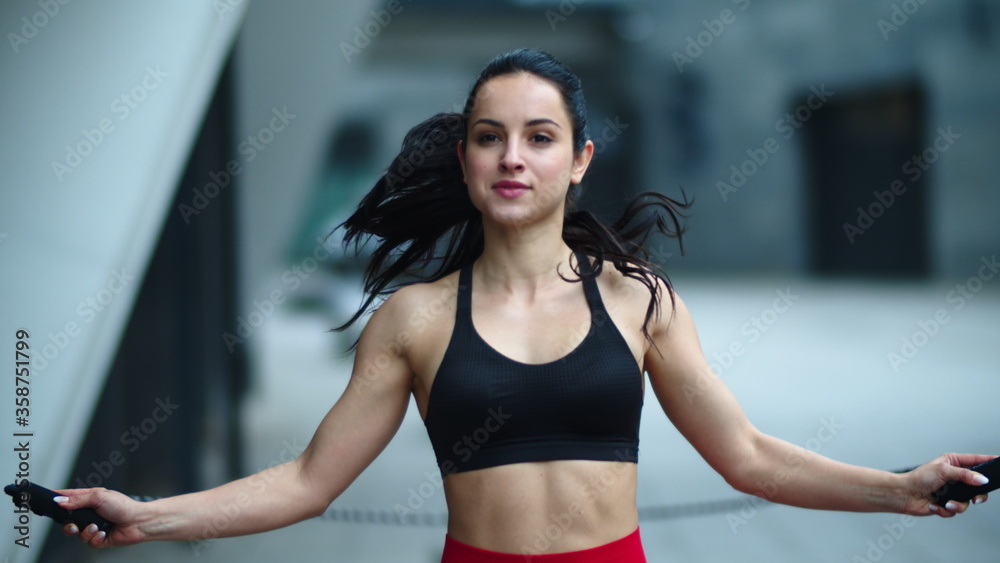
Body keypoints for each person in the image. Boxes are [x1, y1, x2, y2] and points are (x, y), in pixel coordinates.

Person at [59, 48, 992, 561]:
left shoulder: (639, 303)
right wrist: (147, 514)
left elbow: (746, 456)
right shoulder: (414, 321)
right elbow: (310, 481)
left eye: (540, 137)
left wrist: (901, 488)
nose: (513, 156)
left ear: (579, 159)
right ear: (464, 158)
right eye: (489, 136)